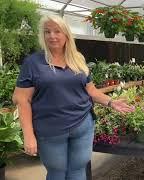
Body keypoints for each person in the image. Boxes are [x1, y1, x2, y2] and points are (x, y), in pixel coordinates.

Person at [12, 14, 133, 180]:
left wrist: (111, 102)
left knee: (78, 169)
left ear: (66, 34)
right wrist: (28, 134)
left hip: (83, 125)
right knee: (57, 172)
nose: (52, 36)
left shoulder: (78, 59)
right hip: (51, 129)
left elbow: (90, 90)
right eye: (47, 32)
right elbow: (21, 99)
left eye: (57, 31)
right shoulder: (33, 63)